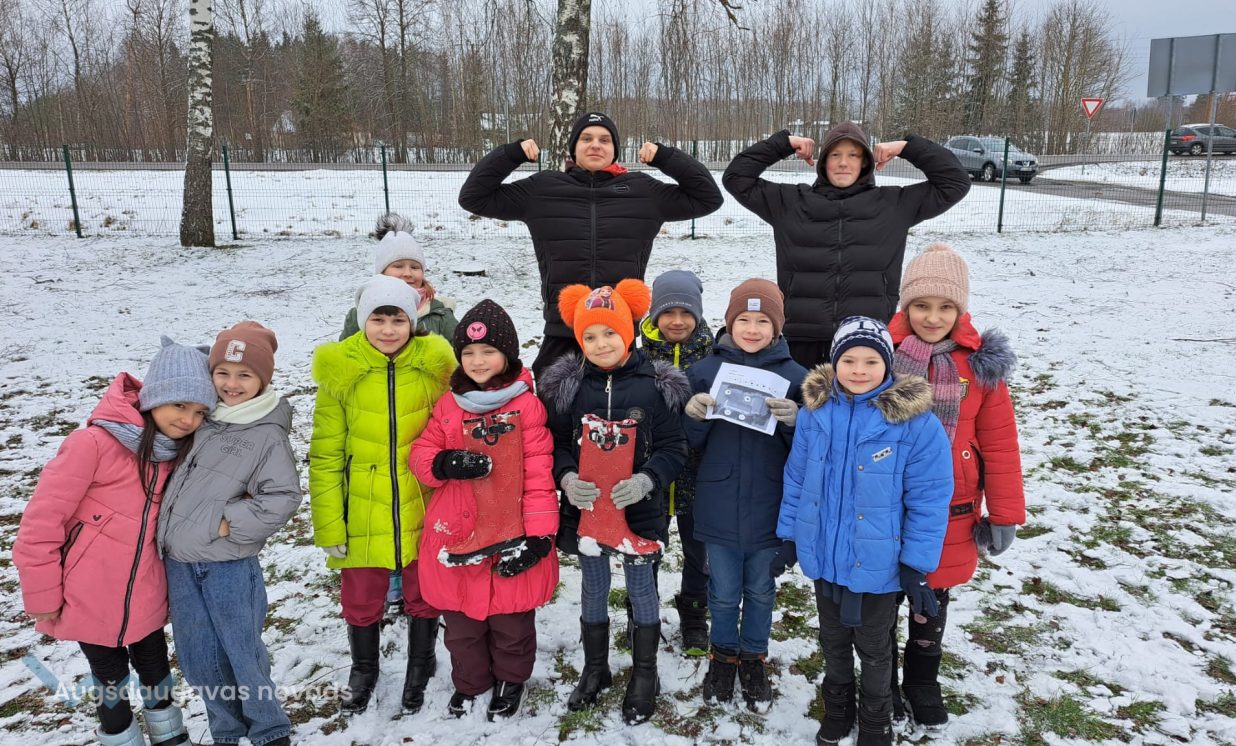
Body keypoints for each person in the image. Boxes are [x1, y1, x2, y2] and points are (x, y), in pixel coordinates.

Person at [14, 336, 217, 746]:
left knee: (155, 665)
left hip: (147, 589)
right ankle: (120, 735)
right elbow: (40, 525)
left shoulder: (178, 455)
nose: (188, 419)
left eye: (199, 411)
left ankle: (169, 733)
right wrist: (42, 595)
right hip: (89, 593)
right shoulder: (92, 444)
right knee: (109, 676)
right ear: (155, 397)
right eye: (180, 405)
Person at [778, 317, 953, 746]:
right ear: (834, 362)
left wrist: (915, 564)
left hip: (877, 561)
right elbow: (797, 478)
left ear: (887, 365)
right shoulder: (815, 414)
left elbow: (929, 499)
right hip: (825, 555)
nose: (859, 370)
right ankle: (838, 709)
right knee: (833, 641)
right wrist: (790, 538)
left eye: (871, 361)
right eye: (849, 360)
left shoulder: (915, 423)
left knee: (874, 648)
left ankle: (876, 721)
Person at [458, 111, 723, 379]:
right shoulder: (542, 189)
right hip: (562, 331)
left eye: (604, 140)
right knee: (555, 404)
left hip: (618, 332)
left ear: (615, 150)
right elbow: (474, 197)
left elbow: (708, 198)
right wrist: (510, 155)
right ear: (574, 148)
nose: (595, 145)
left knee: (621, 404)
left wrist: (666, 157)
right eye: (586, 138)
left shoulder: (644, 191)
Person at [536, 279, 689, 725]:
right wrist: (566, 477)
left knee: (641, 588)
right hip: (587, 511)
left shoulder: (655, 385)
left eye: (609, 332)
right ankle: (595, 668)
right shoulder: (570, 387)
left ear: (629, 331)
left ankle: (645, 673)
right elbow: (555, 443)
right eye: (589, 336)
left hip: (639, 511)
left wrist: (648, 480)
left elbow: (675, 447)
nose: (601, 344)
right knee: (593, 586)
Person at [885, 243, 1025, 730]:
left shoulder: (980, 368)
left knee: (932, 598)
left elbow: (1000, 443)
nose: (932, 317)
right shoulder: (881, 356)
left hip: (952, 506)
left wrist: (1005, 513)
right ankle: (881, 681)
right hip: (886, 501)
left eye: (946, 307)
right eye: (921, 305)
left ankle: (922, 679)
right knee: (883, 598)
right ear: (906, 305)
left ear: (960, 310)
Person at [310, 275, 456, 716]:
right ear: (362, 320)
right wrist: (330, 524)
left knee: (422, 589)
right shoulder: (341, 373)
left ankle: (421, 661)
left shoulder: (433, 368)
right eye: (378, 319)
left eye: (398, 319)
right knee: (362, 594)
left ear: (412, 322)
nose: (388, 330)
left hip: (421, 498)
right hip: (361, 505)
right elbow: (325, 455)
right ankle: (364, 667)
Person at [411, 300, 560, 721]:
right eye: (469, 353)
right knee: (462, 627)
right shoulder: (449, 405)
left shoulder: (526, 407)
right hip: (457, 530)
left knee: (512, 624)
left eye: (488, 351)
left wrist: (539, 535)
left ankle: (511, 679)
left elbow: (538, 473)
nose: (478, 361)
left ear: (507, 355)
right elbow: (422, 453)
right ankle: (470, 681)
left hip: (512, 530)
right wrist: (443, 463)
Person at [722, 122, 971, 369]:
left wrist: (907, 147)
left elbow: (955, 182)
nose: (843, 163)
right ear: (823, 162)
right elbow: (737, 178)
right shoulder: (791, 203)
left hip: (866, 340)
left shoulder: (894, 205)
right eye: (835, 155)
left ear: (865, 162)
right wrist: (783, 144)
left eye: (853, 155)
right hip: (801, 340)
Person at [157, 321, 301, 746]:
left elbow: (283, 495)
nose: (232, 384)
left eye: (244, 375)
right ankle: (226, 728)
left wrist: (229, 521)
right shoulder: (201, 418)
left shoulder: (266, 432)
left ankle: (269, 728)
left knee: (242, 651)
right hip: (180, 564)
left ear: (262, 379)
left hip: (228, 564)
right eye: (222, 372)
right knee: (198, 657)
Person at [681, 279, 807, 712]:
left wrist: (797, 421)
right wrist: (693, 415)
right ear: (729, 323)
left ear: (777, 327)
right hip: (717, 503)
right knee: (721, 591)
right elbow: (688, 444)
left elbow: (808, 452)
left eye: (763, 321)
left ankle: (753, 657)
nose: (753, 329)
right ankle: (722, 656)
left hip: (770, 506)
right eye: (744, 320)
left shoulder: (796, 379)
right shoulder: (704, 372)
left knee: (760, 590)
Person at [637, 270, 715, 656]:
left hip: (700, 475)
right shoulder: (638, 358)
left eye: (687, 313)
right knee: (647, 547)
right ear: (655, 315)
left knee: (699, 552)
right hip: (651, 473)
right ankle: (643, 612)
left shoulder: (715, 357)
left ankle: (694, 615)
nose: (678, 321)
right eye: (668, 312)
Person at [340, 213, 459, 340]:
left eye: (415, 267)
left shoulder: (440, 315)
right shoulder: (361, 314)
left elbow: (460, 350)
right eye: (398, 266)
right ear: (382, 273)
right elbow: (344, 351)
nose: (408, 273)